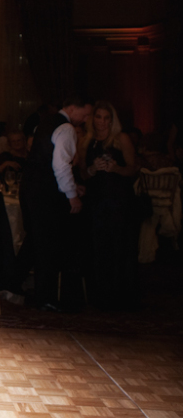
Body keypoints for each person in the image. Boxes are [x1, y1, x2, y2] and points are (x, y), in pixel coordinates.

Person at [19, 96, 93, 312]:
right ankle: (45, 297)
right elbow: (61, 165)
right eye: (85, 114)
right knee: (47, 245)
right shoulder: (66, 128)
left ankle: (14, 282)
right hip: (46, 194)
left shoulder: (46, 122)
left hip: (32, 188)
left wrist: (72, 187)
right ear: (73, 107)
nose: (85, 119)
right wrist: (72, 195)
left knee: (36, 241)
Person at [79, 101, 139, 309]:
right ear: (93, 119)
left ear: (112, 120)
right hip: (95, 201)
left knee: (119, 246)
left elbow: (132, 168)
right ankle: (99, 295)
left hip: (119, 200)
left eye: (106, 118)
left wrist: (116, 169)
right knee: (97, 247)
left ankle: (119, 295)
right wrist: (92, 169)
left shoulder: (121, 139)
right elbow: (82, 174)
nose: (102, 122)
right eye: (99, 117)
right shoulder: (86, 141)